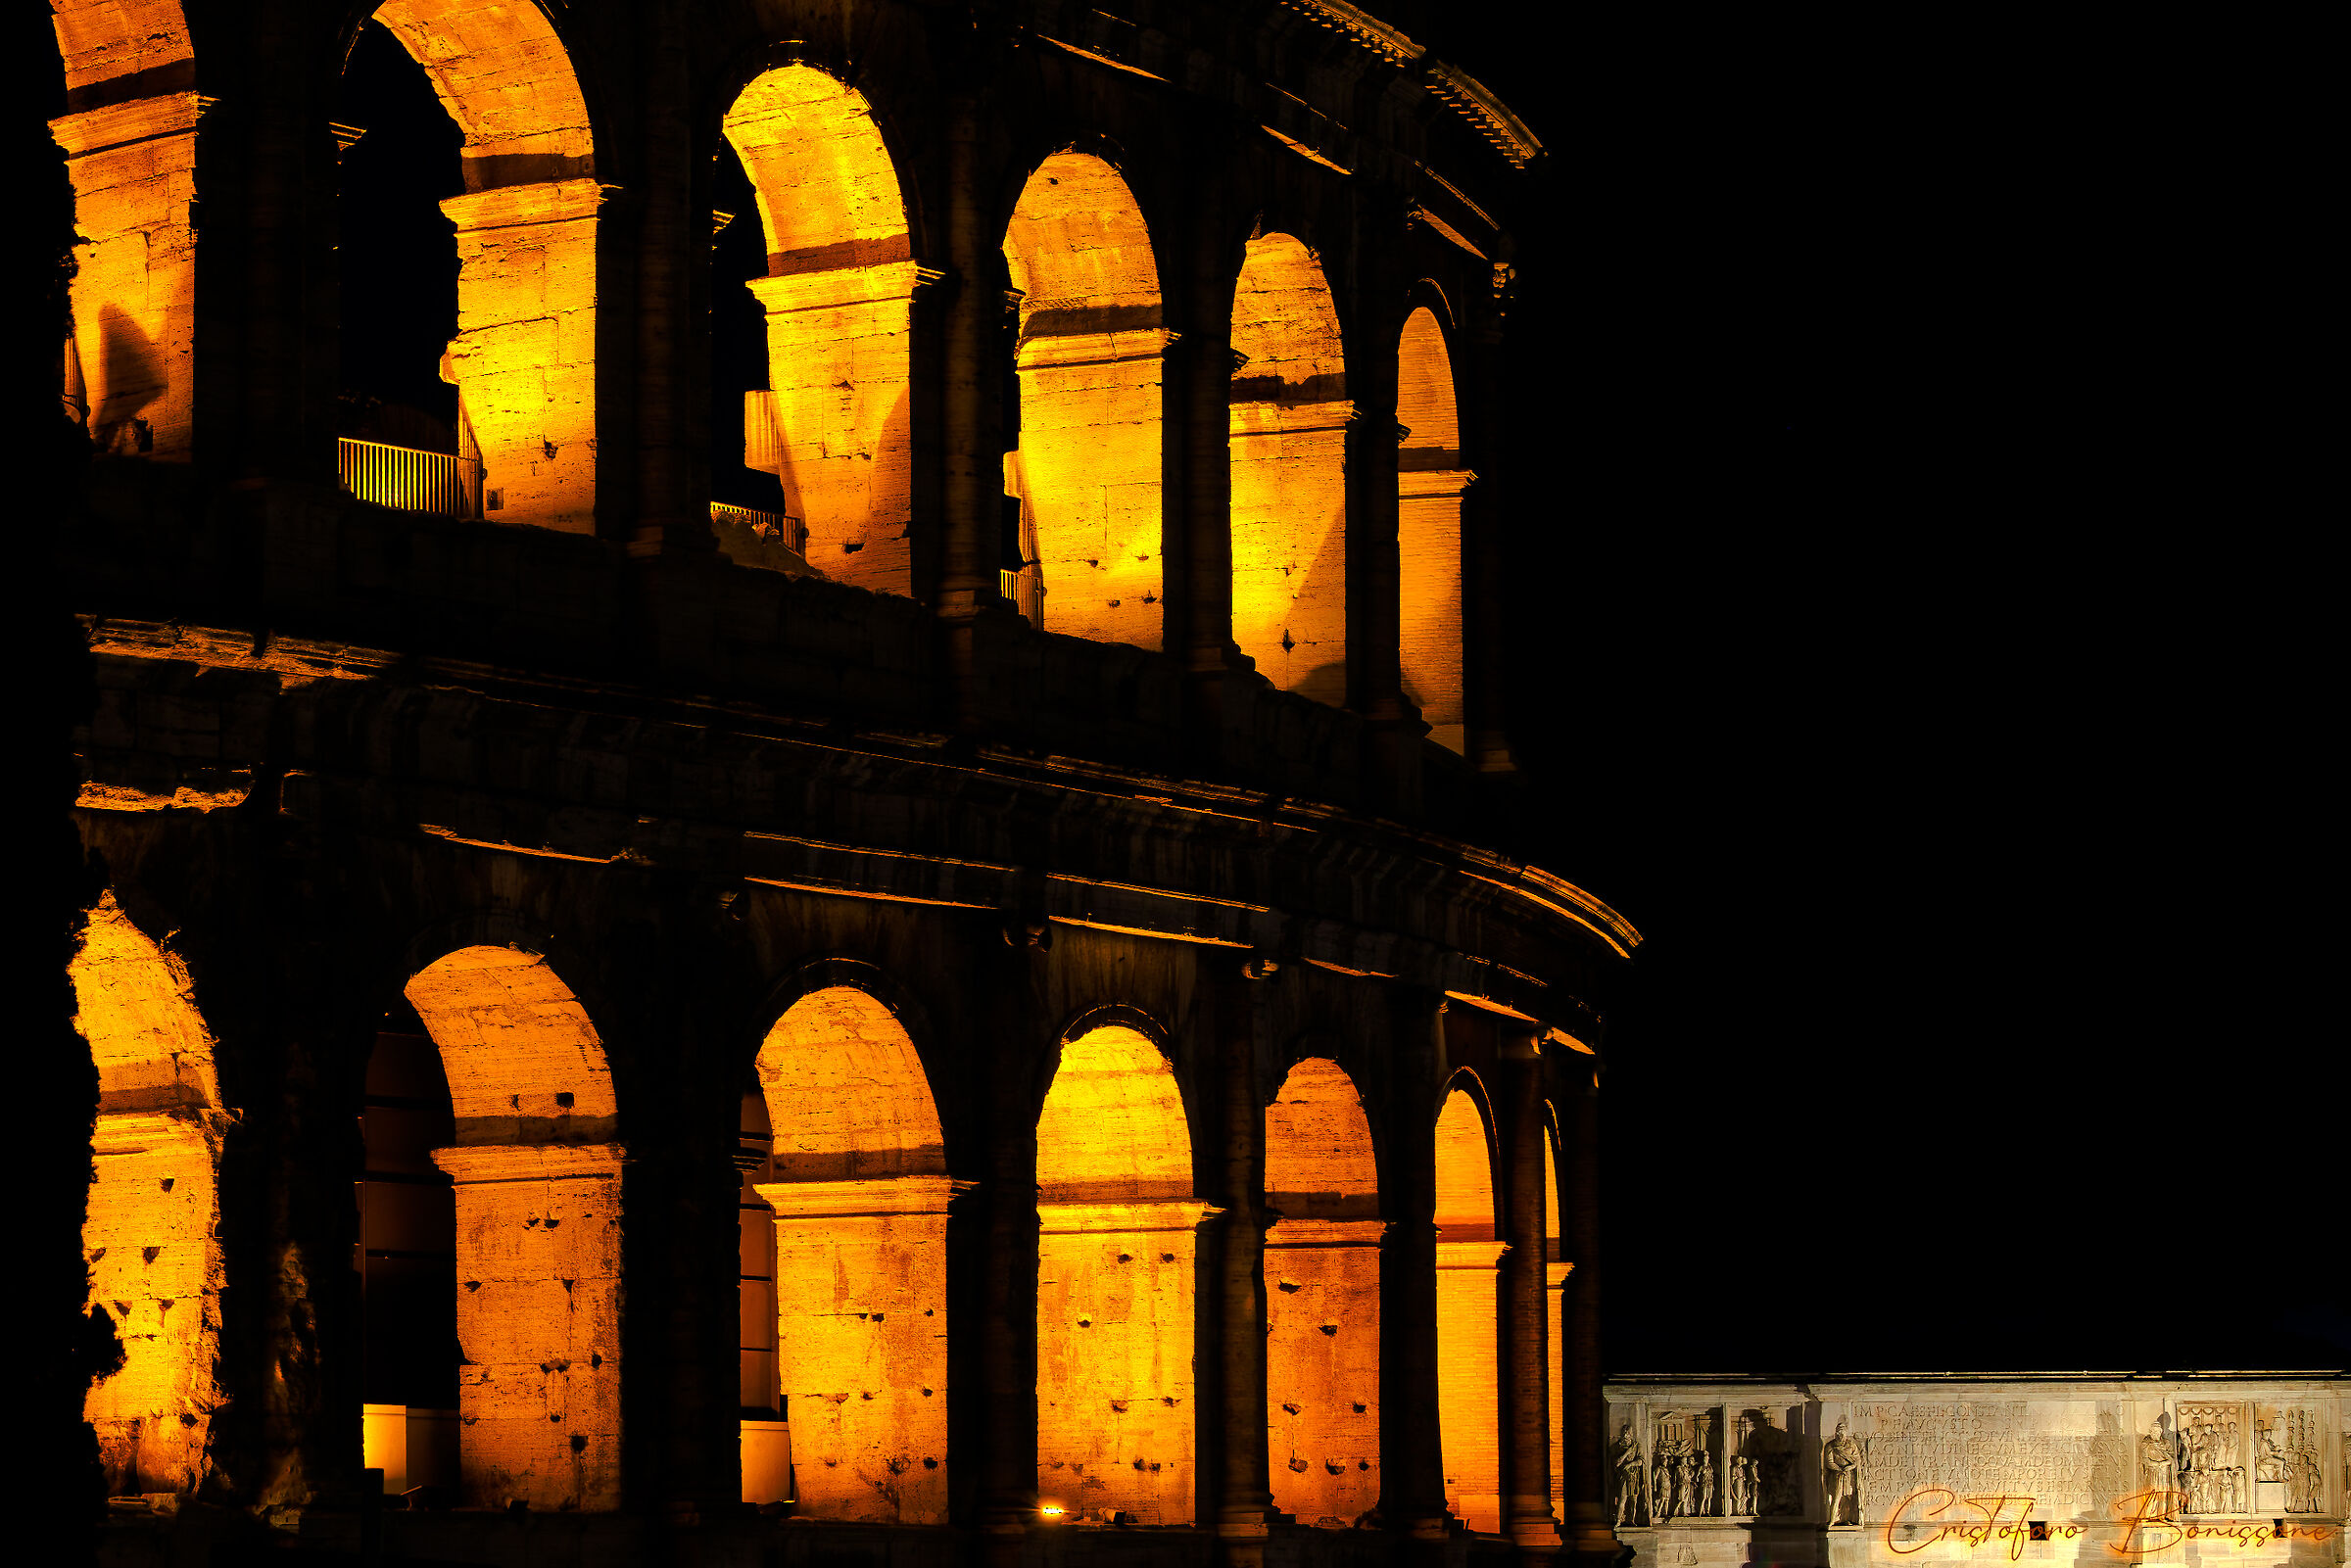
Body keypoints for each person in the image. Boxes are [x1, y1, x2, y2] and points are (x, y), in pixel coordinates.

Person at [1824, 1419, 1864, 1525]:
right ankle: (1832, 1519)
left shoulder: (1851, 1445)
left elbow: (1857, 1460)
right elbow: (1829, 1462)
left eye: (1842, 1432)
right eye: (1838, 1432)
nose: (1840, 1435)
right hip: (1836, 1475)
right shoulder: (1830, 1446)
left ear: (1846, 1433)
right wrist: (1839, 1469)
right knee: (1836, 1497)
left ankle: (1845, 1518)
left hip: (1848, 1475)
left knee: (1848, 1498)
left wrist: (1850, 1467)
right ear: (1835, 1433)